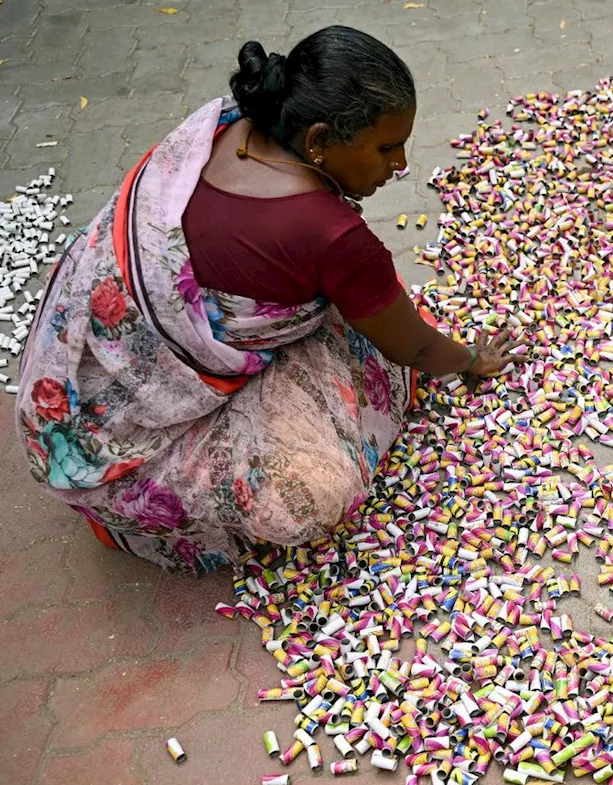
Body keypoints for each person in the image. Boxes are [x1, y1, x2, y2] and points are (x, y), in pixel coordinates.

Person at [13, 26, 519, 573]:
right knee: (321, 481)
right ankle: (153, 513)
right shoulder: (335, 238)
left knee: (357, 315)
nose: (400, 166)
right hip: (128, 448)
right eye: (385, 147)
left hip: (73, 397)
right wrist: (471, 360)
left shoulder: (226, 123)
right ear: (319, 139)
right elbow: (416, 350)